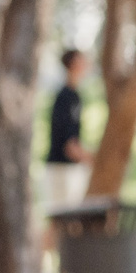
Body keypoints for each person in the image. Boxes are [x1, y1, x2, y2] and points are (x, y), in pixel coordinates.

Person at [45, 47, 90, 207]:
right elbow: (70, 146)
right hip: (62, 171)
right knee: (61, 224)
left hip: (65, 170)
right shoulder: (67, 98)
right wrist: (93, 160)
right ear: (73, 64)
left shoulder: (72, 96)